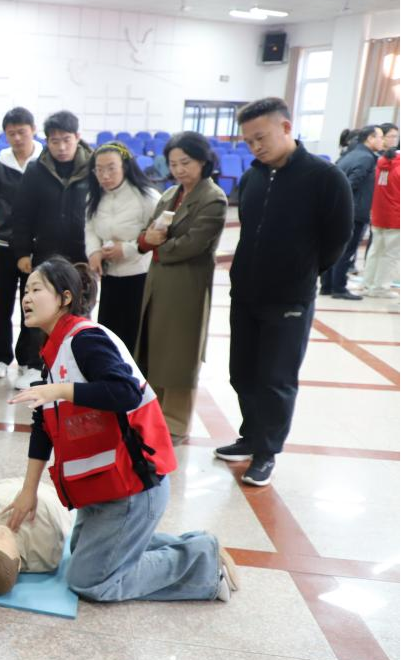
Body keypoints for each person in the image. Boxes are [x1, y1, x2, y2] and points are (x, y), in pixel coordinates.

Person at [6, 257, 237, 603]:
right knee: (80, 553)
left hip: (133, 486)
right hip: (102, 489)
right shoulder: (54, 350)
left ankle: (203, 564)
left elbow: (125, 391)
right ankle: (195, 546)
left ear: (65, 298)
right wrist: (29, 491)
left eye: (36, 289)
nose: (26, 298)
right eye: (25, 290)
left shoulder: (85, 340)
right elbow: (44, 423)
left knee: (90, 581)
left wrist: (61, 390)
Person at [217, 98, 352, 486]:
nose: (255, 147)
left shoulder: (325, 177)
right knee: (242, 371)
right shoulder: (253, 177)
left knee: (276, 379)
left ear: (287, 127)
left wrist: (302, 271)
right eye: (248, 141)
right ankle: (250, 436)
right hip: (246, 293)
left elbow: (337, 238)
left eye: (260, 137)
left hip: (289, 298)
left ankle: (266, 451)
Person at [134, 133, 227, 443]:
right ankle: (155, 414)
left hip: (187, 284)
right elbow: (148, 231)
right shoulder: (170, 194)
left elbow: (193, 244)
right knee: (156, 348)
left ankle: (175, 422)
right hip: (159, 282)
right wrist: (146, 240)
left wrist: (156, 247)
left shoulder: (212, 198)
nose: (179, 170)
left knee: (180, 353)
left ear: (203, 161)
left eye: (185, 163)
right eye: (173, 164)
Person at [9, 110, 92, 389]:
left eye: (66, 140)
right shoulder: (36, 170)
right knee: (42, 309)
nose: (61, 147)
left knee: (80, 310)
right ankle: (37, 366)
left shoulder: (92, 168)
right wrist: (22, 251)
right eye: (55, 141)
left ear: (77, 137)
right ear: (47, 141)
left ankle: (77, 366)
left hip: (82, 255)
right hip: (46, 253)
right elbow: (21, 214)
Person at [0, 107, 43, 381]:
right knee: (1, 303)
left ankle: (29, 359)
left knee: (31, 304)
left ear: (33, 130)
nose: (17, 138)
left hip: (36, 247)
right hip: (4, 245)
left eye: (22, 132)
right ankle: (0, 356)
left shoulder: (44, 165)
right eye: (11, 133)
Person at [85, 143, 160, 354]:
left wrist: (127, 249)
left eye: (111, 168)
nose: (105, 175)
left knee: (135, 333)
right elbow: (90, 228)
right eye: (99, 170)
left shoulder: (147, 197)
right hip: (110, 275)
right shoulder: (94, 196)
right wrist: (94, 252)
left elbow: (157, 235)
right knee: (109, 333)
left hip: (140, 274)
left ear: (125, 167)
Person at [0, 478, 71, 596]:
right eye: (3, 542)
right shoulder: (45, 552)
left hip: (4, 486)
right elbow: (58, 514)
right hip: (47, 492)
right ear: (19, 563)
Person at [321, 125, 384, 300]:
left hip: (343, 210)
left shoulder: (350, 154)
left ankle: (327, 286)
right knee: (347, 251)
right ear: (370, 139)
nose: (382, 141)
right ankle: (339, 288)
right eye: (380, 137)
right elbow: (351, 183)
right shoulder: (366, 158)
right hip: (354, 212)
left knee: (335, 249)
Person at [363, 141, 400, 299]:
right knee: (390, 255)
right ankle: (380, 288)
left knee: (375, 251)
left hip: (378, 214)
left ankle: (368, 284)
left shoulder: (382, 162)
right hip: (396, 217)